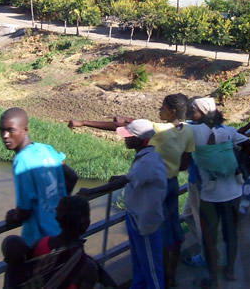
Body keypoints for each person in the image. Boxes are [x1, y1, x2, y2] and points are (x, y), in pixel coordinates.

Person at [68, 93, 194, 287]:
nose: (160, 109)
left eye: (163, 107)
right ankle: (171, 277)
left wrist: (84, 122)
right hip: (170, 183)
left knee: (152, 248)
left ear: (173, 111)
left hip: (149, 192)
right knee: (172, 233)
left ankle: (161, 280)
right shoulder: (187, 130)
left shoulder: (156, 134)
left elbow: (128, 128)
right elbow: (184, 165)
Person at [77, 119, 167, 289]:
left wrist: (91, 192)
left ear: (140, 140)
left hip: (145, 223)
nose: (125, 139)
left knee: (151, 268)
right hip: (136, 217)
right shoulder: (147, 157)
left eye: (129, 136)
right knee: (139, 265)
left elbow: (125, 181)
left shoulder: (148, 162)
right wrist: (120, 177)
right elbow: (133, 177)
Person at [193, 111, 250, 286]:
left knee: (210, 239)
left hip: (210, 197)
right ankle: (230, 270)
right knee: (231, 234)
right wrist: (237, 163)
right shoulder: (230, 131)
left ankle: (213, 279)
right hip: (234, 193)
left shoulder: (199, 133)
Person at [0, 107, 78, 246]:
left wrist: (14, 216)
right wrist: (60, 200)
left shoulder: (22, 160)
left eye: (10, 130)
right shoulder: (45, 148)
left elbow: (24, 210)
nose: (5, 135)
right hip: (62, 230)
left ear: (25, 130)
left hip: (42, 239)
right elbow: (71, 176)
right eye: (2, 130)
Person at [2, 195, 107, 289]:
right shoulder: (88, 267)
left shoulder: (40, 244)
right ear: (86, 224)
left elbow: (22, 271)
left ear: (57, 218)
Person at [181, 97, 217, 269]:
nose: (189, 110)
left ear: (202, 113)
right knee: (187, 216)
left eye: (193, 109)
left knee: (200, 221)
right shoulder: (212, 127)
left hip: (199, 183)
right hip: (202, 181)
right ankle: (208, 249)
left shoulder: (193, 130)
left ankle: (207, 256)